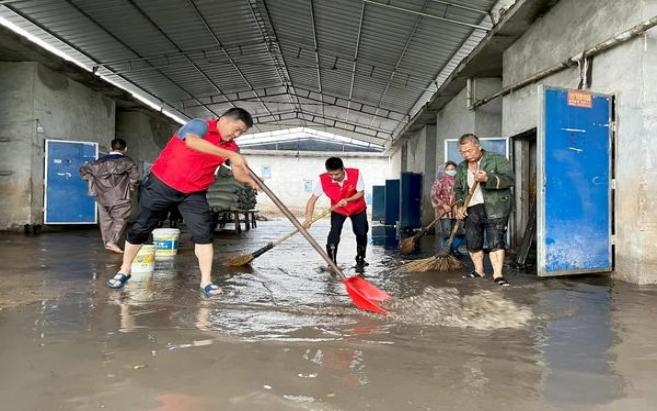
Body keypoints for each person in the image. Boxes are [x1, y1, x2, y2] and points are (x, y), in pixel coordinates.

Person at [106, 108, 259, 296]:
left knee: (203, 233)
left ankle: (206, 282)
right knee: (141, 227)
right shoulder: (199, 125)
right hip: (162, 184)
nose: (236, 135)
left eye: (241, 133)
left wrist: (249, 180)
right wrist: (230, 155)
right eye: (236, 129)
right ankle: (125, 270)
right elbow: (192, 142)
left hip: (194, 193)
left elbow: (237, 172)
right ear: (225, 120)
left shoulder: (232, 148)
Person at [454, 133, 514, 286]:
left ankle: (498, 275)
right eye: (463, 152)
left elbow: (509, 179)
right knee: (473, 241)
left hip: (495, 207)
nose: (467, 155)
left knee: (495, 241)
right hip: (472, 208)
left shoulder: (497, 159)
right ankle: (478, 270)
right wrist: (460, 205)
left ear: (478, 146)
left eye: (470, 151)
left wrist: (488, 179)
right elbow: (459, 189)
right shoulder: (462, 167)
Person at [303, 157, 369, 268]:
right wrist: (308, 218)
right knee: (334, 232)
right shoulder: (323, 180)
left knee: (361, 232)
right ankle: (332, 263)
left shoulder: (355, 173)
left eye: (337, 174)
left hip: (357, 208)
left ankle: (360, 258)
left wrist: (347, 200)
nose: (333, 177)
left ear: (343, 169)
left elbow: (361, 193)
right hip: (338, 209)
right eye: (330, 174)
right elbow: (312, 200)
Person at [80, 138, 140, 254]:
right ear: (125, 149)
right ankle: (112, 242)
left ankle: (109, 242)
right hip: (120, 195)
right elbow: (135, 177)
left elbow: (83, 171)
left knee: (106, 220)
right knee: (121, 218)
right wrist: (131, 188)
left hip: (101, 196)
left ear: (111, 148)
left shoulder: (97, 162)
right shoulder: (127, 162)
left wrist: (94, 181)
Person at [431, 161, 464, 256]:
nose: (450, 171)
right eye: (448, 169)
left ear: (456, 169)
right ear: (444, 170)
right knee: (447, 232)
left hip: (458, 211)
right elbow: (434, 195)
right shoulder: (440, 181)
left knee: (460, 232)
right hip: (444, 212)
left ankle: (453, 249)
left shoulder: (460, 181)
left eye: (452, 169)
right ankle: (445, 252)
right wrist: (443, 205)